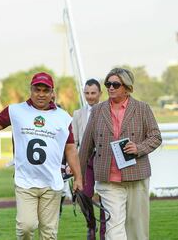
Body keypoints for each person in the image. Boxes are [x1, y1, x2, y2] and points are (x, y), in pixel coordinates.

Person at [0, 72, 83, 240]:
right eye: (37, 90)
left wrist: (78, 178)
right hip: (25, 182)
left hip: (52, 182)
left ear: (52, 93)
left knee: (49, 234)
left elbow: (71, 149)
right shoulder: (15, 111)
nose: (41, 94)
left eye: (45, 90)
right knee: (26, 227)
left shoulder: (63, 117)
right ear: (31, 90)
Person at [79, 68, 162, 240]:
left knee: (137, 230)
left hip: (136, 176)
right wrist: (78, 176)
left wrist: (138, 148)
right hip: (108, 179)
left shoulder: (142, 108)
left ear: (127, 87)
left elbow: (155, 137)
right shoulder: (97, 110)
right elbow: (86, 145)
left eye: (115, 84)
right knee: (114, 230)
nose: (110, 88)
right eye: (108, 84)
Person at [72, 79, 105, 240]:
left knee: (107, 196)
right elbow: (75, 142)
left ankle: (104, 233)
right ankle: (91, 224)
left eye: (93, 93)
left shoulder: (108, 111)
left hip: (104, 159)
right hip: (86, 160)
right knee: (82, 193)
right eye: (87, 93)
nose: (90, 96)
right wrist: (71, 164)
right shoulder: (77, 114)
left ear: (100, 93)